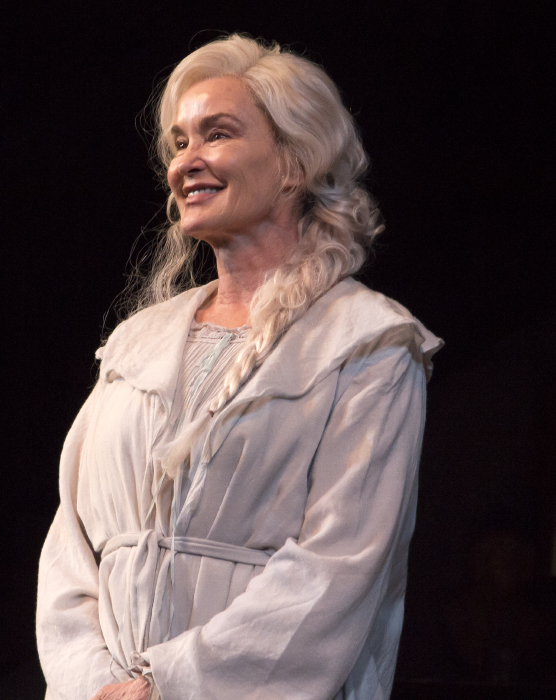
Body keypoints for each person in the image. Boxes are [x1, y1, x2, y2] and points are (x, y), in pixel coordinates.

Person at [36, 34, 443, 700]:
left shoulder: (366, 345)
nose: (186, 162)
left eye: (215, 135)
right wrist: (93, 684)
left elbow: (339, 567)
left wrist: (170, 684)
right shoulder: (135, 345)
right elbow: (72, 550)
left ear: (294, 163)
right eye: (179, 143)